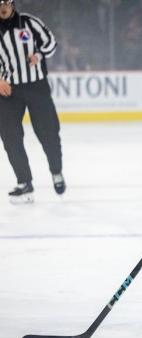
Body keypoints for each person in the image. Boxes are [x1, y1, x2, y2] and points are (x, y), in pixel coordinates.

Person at [0, 0, 65, 203]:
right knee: (10, 136)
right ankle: (25, 183)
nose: (2, 6)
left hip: (36, 85)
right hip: (7, 89)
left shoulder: (29, 23)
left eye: (5, 2)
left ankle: (56, 172)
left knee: (48, 132)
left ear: (12, 4)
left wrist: (38, 55)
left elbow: (51, 43)